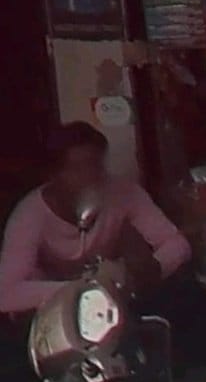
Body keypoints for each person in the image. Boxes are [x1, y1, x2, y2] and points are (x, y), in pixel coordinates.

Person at [0, 124, 190, 317]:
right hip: (56, 312)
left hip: (114, 303)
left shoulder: (122, 193)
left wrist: (149, 271)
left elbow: (177, 243)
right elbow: (5, 293)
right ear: (53, 175)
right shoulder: (30, 215)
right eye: (76, 169)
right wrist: (84, 291)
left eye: (95, 166)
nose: (89, 177)